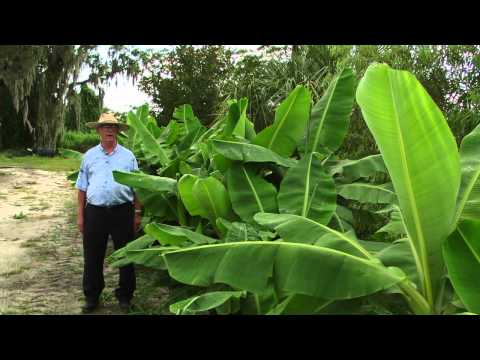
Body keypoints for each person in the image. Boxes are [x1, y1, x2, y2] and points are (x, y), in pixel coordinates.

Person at [75, 113, 142, 314]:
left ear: (118, 131)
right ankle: (92, 296)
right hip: (95, 212)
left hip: (122, 211)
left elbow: (137, 185)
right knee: (93, 255)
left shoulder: (128, 156)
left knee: (126, 255)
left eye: (113, 127)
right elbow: (81, 187)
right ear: (98, 131)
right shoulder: (89, 156)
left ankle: (125, 296)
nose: (109, 130)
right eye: (105, 127)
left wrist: (137, 212)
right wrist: (80, 215)